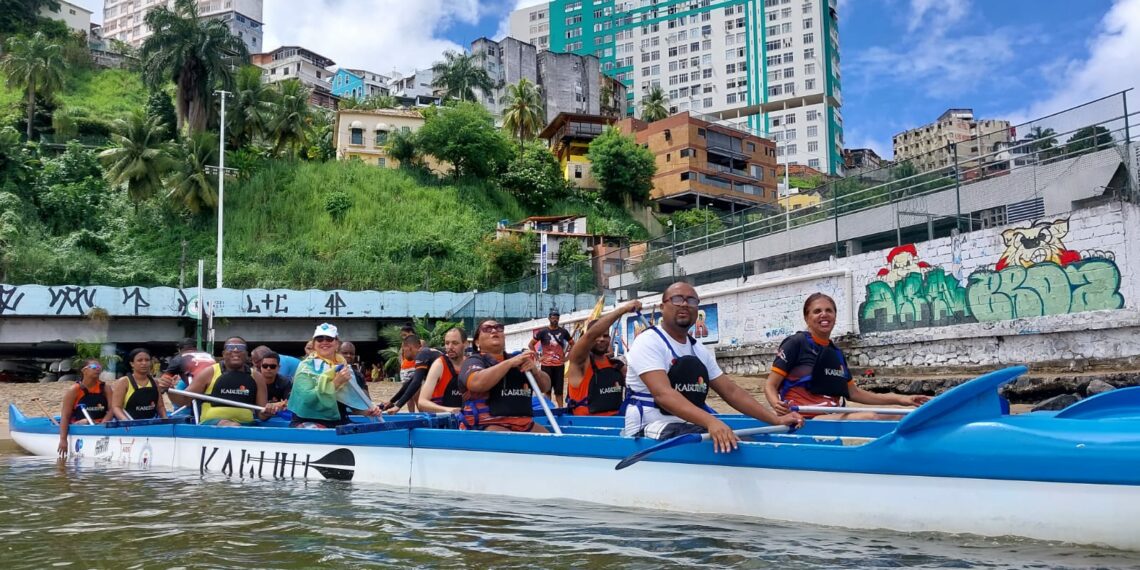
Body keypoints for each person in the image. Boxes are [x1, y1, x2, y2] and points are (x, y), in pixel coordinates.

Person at [623, 282, 803, 451]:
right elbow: (663, 395)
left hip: (687, 424)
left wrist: (776, 420)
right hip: (648, 427)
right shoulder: (648, 341)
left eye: (691, 300)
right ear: (662, 307)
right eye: (677, 299)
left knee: (742, 441)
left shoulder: (698, 349)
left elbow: (731, 392)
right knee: (734, 445)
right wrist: (711, 422)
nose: (684, 304)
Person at [765, 293, 932, 420]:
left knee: (901, 413)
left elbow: (854, 393)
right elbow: (770, 385)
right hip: (804, 419)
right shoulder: (796, 343)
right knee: (872, 417)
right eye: (817, 311)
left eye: (829, 310)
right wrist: (777, 406)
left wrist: (903, 399)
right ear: (807, 318)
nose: (824, 314)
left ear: (835, 316)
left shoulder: (836, 353)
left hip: (832, 415)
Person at [458, 319, 551, 433]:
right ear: (477, 342)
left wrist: (535, 371)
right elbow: (476, 383)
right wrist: (509, 363)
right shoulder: (473, 361)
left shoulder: (520, 360)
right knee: (504, 438)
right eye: (487, 329)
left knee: (551, 441)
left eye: (499, 328)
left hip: (525, 426)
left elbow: (546, 387)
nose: (494, 331)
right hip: (486, 426)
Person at [288, 324, 380, 428]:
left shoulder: (345, 367)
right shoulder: (306, 367)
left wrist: (366, 411)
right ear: (314, 344)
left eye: (329, 339)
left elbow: (351, 401)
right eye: (319, 339)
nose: (324, 342)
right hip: (308, 420)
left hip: (338, 421)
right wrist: (335, 383)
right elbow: (307, 400)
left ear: (337, 344)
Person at [566, 301, 641, 416]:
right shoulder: (579, 362)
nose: (601, 339)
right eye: (597, 336)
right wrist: (623, 309)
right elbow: (590, 335)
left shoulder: (616, 366)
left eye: (605, 336)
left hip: (617, 421)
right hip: (587, 424)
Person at [185, 336, 268, 426]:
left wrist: (268, 411)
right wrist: (172, 391)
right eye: (230, 347)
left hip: (246, 425)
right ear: (223, 354)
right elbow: (183, 400)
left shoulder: (257, 377)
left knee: (236, 426)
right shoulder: (208, 372)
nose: (235, 350)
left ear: (246, 354)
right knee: (233, 426)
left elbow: (262, 415)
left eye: (240, 347)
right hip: (212, 424)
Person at [57, 358, 112, 456]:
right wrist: (63, 440)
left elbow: (112, 409)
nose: (97, 369)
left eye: (99, 367)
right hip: (80, 424)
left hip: (101, 425)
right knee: (85, 421)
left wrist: (104, 423)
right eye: (94, 367)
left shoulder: (105, 388)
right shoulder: (74, 390)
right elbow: (65, 416)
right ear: (84, 371)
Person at [528, 308, 574, 407]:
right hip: (546, 365)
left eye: (557, 318)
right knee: (547, 390)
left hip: (559, 365)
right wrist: (537, 357)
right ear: (549, 318)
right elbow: (531, 344)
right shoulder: (543, 332)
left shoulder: (563, 332)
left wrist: (567, 357)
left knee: (559, 392)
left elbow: (573, 344)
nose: (555, 320)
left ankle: (560, 410)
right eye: (553, 318)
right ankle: (549, 409)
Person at [417, 327, 467, 414]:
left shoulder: (470, 364)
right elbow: (422, 402)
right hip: (444, 419)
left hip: (466, 418)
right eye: (447, 343)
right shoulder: (439, 365)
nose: (450, 347)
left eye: (455, 343)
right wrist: (448, 410)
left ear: (465, 344)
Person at [387, 337, 442, 414]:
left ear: (409, 348)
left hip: (449, 387)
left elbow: (416, 383)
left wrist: (397, 406)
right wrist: (392, 401)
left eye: (404, 350)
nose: (403, 354)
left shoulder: (421, 354)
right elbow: (410, 383)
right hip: (450, 386)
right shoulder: (428, 353)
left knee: (425, 404)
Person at [110, 348, 166, 421]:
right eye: (140, 360)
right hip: (128, 424)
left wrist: (165, 419)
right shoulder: (124, 382)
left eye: (147, 360)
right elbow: (116, 407)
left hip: (150, 423)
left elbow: (160, 406)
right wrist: (127, 422)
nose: (144, 363)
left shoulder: (155, 382)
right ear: (132, 364)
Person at [159, 338, 216, 408]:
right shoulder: (209, 355)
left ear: (179, 349)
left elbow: (165, 379)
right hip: (219, 384)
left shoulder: (180, 357)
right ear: (196, 348)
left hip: (201, 390)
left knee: (180, 390)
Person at [254, 349, 292, 416]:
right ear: (261, 367)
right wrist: (277, 404)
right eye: (265, 366)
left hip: (278, 416)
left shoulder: (285, 382)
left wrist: (271, 405)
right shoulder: (253, 380)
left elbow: (288, 403)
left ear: (278, 367)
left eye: (272, 366)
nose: (268, 368)